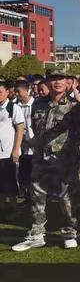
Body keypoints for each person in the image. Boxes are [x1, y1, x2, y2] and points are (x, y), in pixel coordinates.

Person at [12, 70, 80, 252]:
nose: (57, 82)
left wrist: (69, 148)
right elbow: (35, 126)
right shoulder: (38, 104)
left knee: (67, 198)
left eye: (61, 79)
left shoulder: (75, 106)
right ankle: (37, 233)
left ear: (67, 82)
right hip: (41, 157)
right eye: (53, 79)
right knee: (37, 195)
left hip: (65, 159)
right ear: (47, 82)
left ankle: (70, 233)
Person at [0, 81, 25, 217]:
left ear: (7, 92)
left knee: (10, 182)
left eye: (0, 92)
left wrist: (16, 149)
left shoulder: (13, 108)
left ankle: (14, 208)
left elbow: (20, 129)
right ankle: (3, 207)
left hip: (8, 152)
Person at [14, 80, 35, 204]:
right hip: (22, 147)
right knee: (24, 176)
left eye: (19, 92)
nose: (17, 94)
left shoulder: (35, 104)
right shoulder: (16, 106)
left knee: (35, 176)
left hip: (35, 146)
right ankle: (28, 198)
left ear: (27, 91)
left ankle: (36, 200)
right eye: (15, 91)